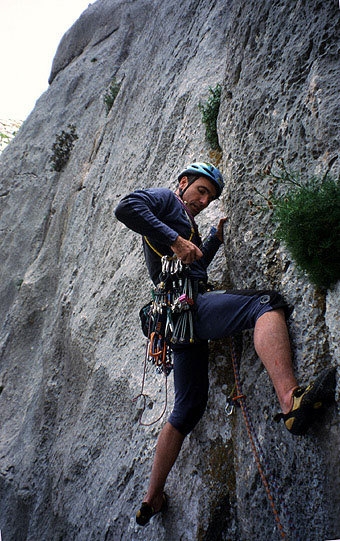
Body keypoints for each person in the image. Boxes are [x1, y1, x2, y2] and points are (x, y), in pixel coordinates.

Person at [115, 162, 336, 527]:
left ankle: (152, 497)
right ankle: (291, 400)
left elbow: (195, 268)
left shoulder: (183, 222)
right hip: (190, 311)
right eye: (201, 190)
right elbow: (126, 207)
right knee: (264, 304)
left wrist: (211, 240)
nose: (204, 200)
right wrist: (176, 240)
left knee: (188, 408)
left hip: (176, 323)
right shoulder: (167, 202)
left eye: (210, 196)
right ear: (183, 183)